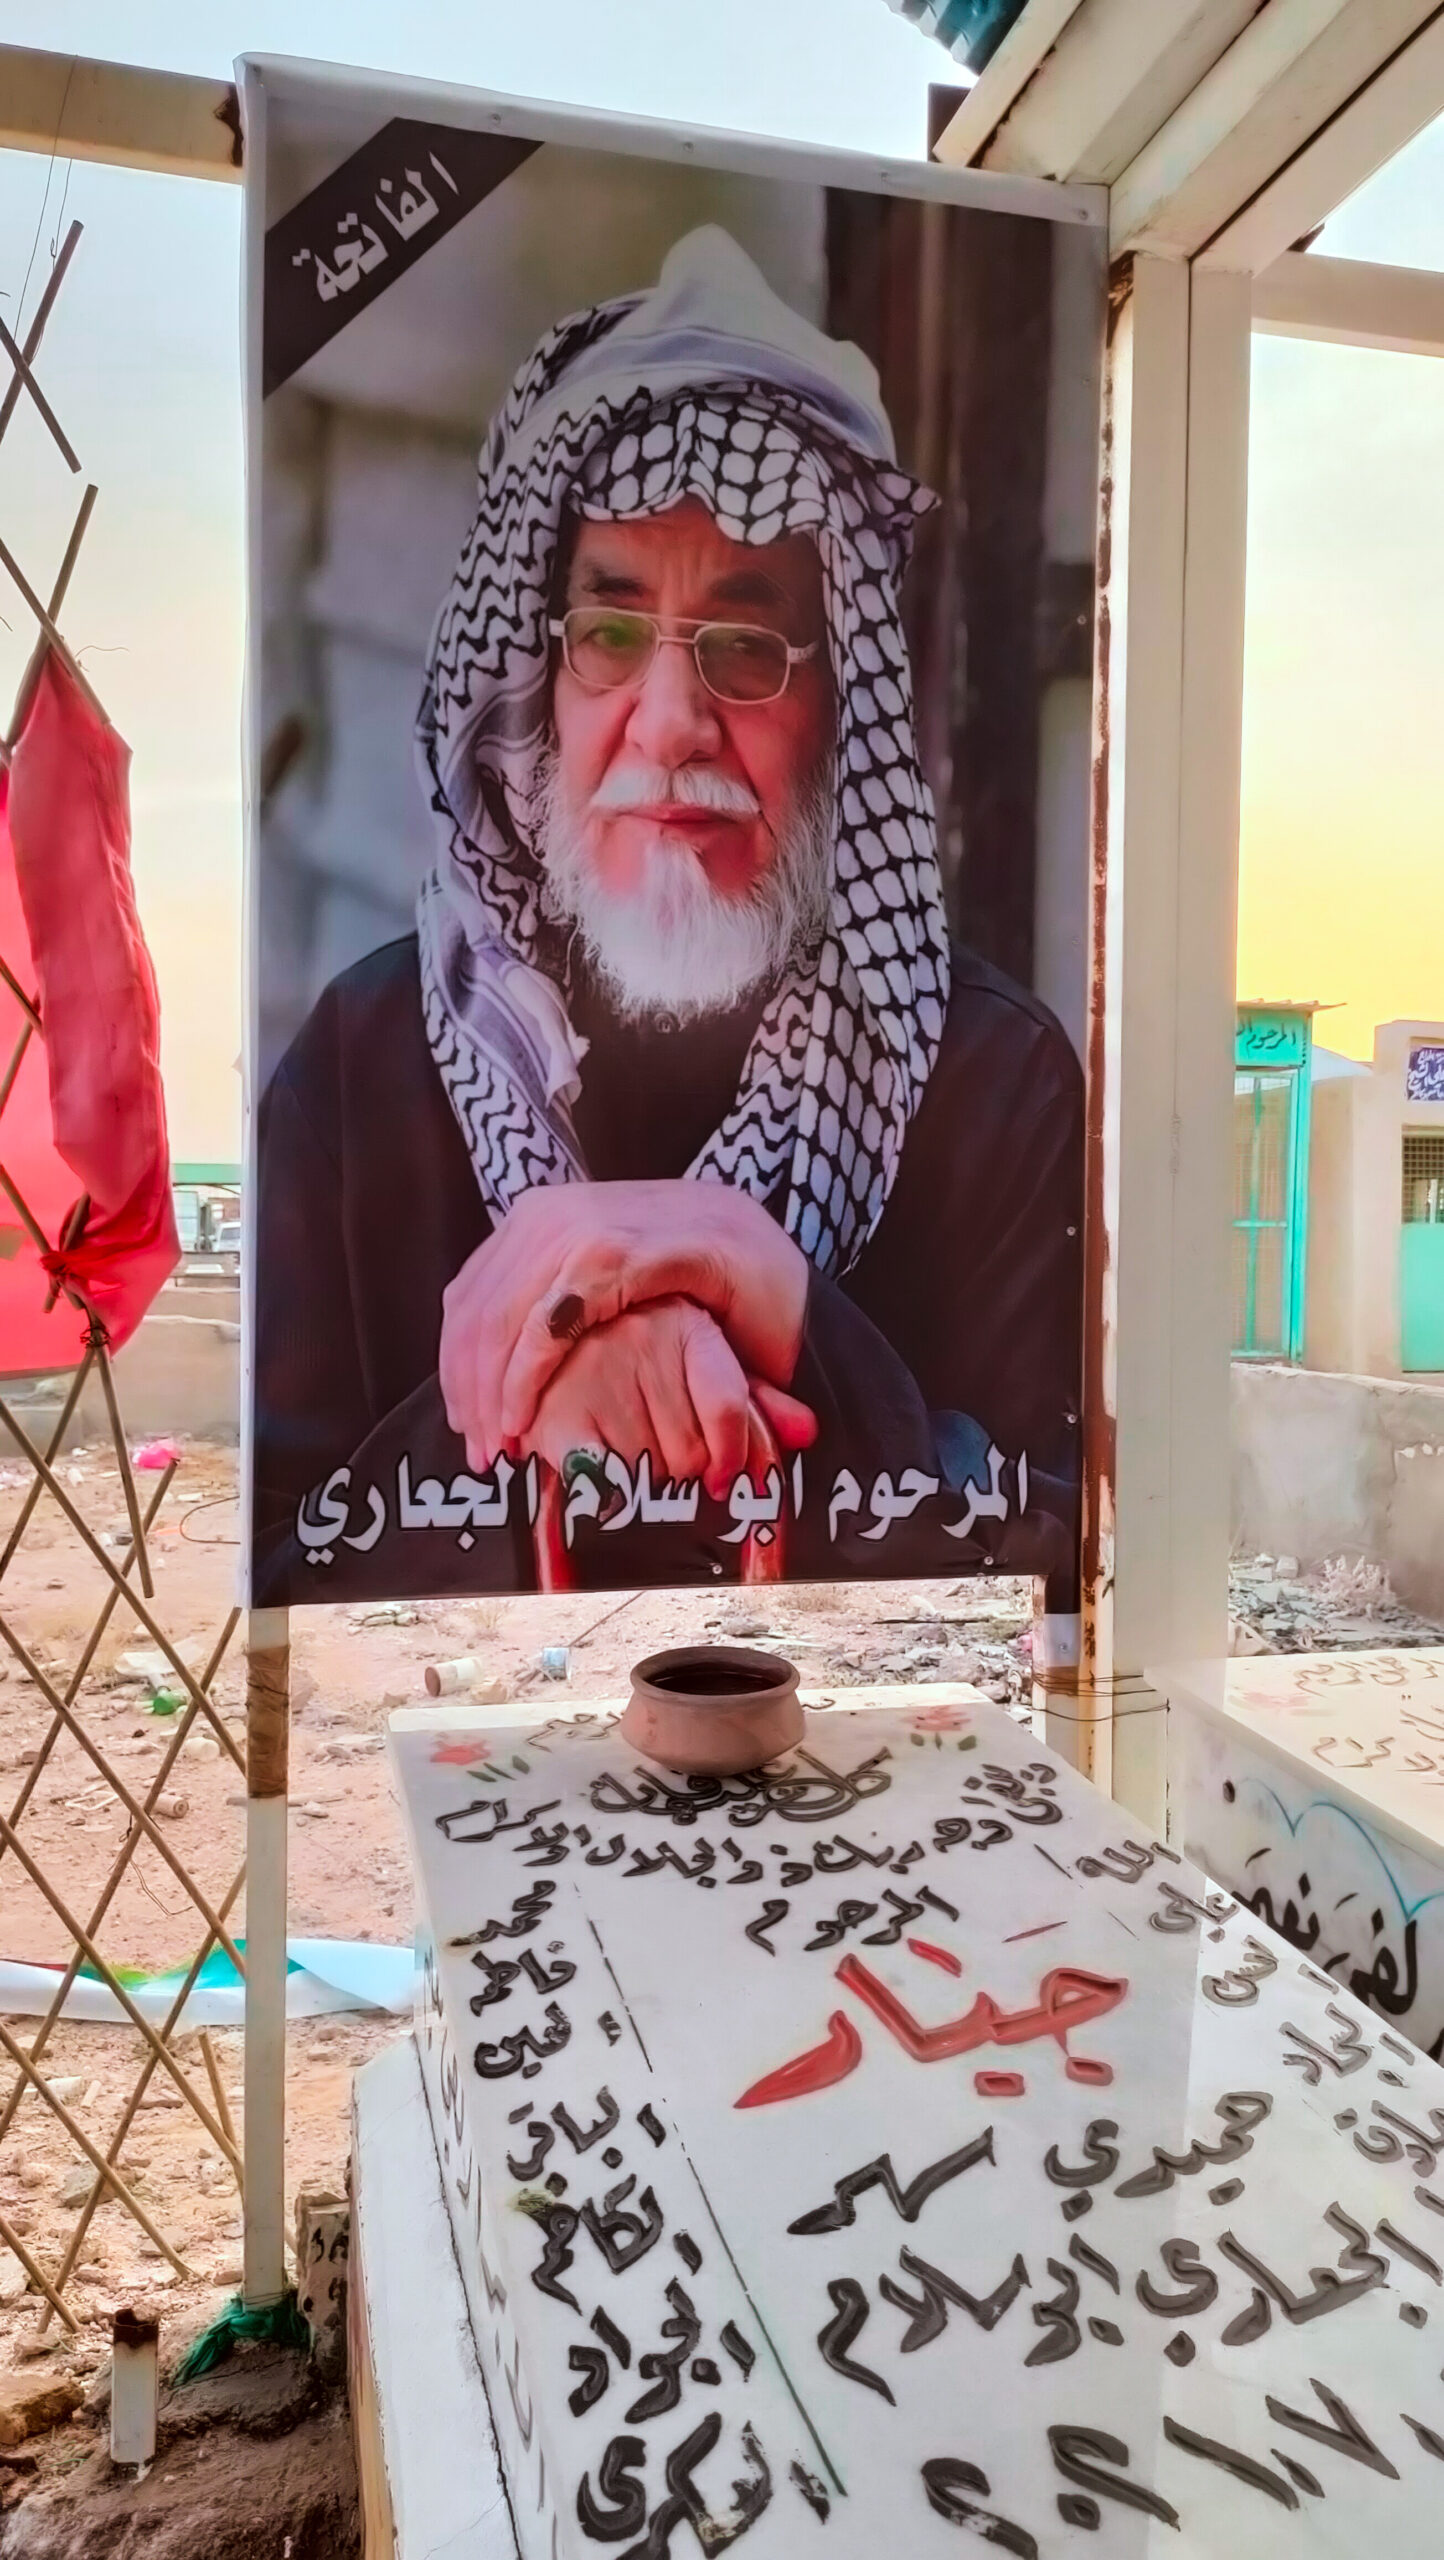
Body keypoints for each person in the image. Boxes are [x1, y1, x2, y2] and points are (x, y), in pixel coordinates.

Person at [252, 226, 1082, 1601]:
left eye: (748, 646)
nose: (672, 722)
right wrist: (542, 1404)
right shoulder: (361, 1067)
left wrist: (782, 1298)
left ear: (844, 708)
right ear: (538, 685)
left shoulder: (990, 1081)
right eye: (613, 634)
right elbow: (278, 1580)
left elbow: (1059, 1589)